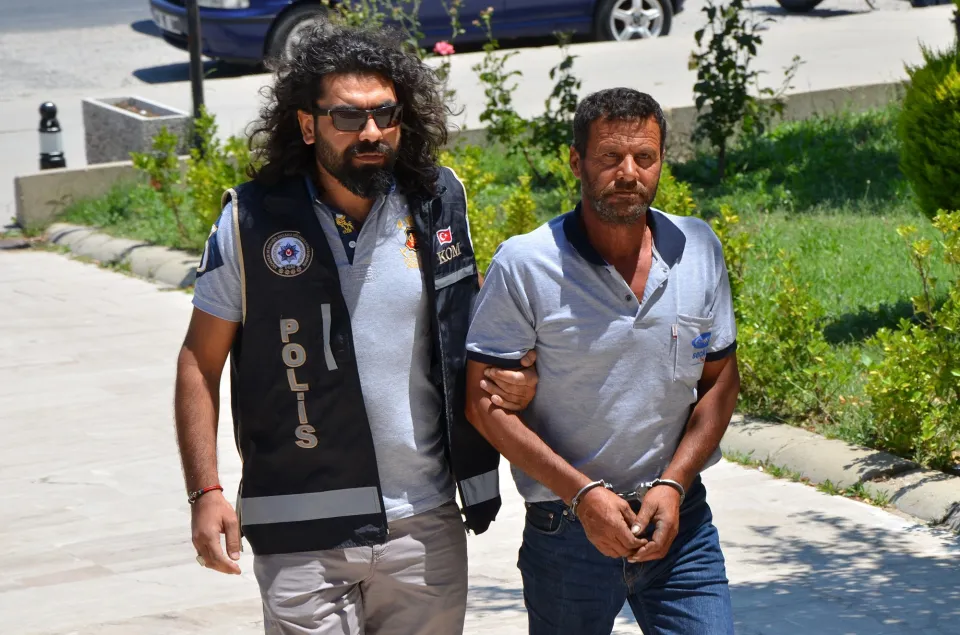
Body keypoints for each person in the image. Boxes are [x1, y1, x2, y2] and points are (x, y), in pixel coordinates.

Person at [173, 24, 539, 635]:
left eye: (384, 114)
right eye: (347, 117)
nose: (370, 132)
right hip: (299, 527)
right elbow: (199, 362)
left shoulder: (438, 200)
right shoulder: (251, 221)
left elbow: (465, 330)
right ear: (308, 125)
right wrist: (205, 491)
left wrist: (516, 377)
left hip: (425, 522)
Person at [464, 88, 740, 635]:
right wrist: (582, 495)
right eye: (610, 157)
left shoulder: (698, 247)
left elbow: (720, 379)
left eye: (645, 157)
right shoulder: (526, 264)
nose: (629, 173)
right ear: (576, 162)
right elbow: (482, 404)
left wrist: (675, 482)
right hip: (566, 533)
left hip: (678, 524)